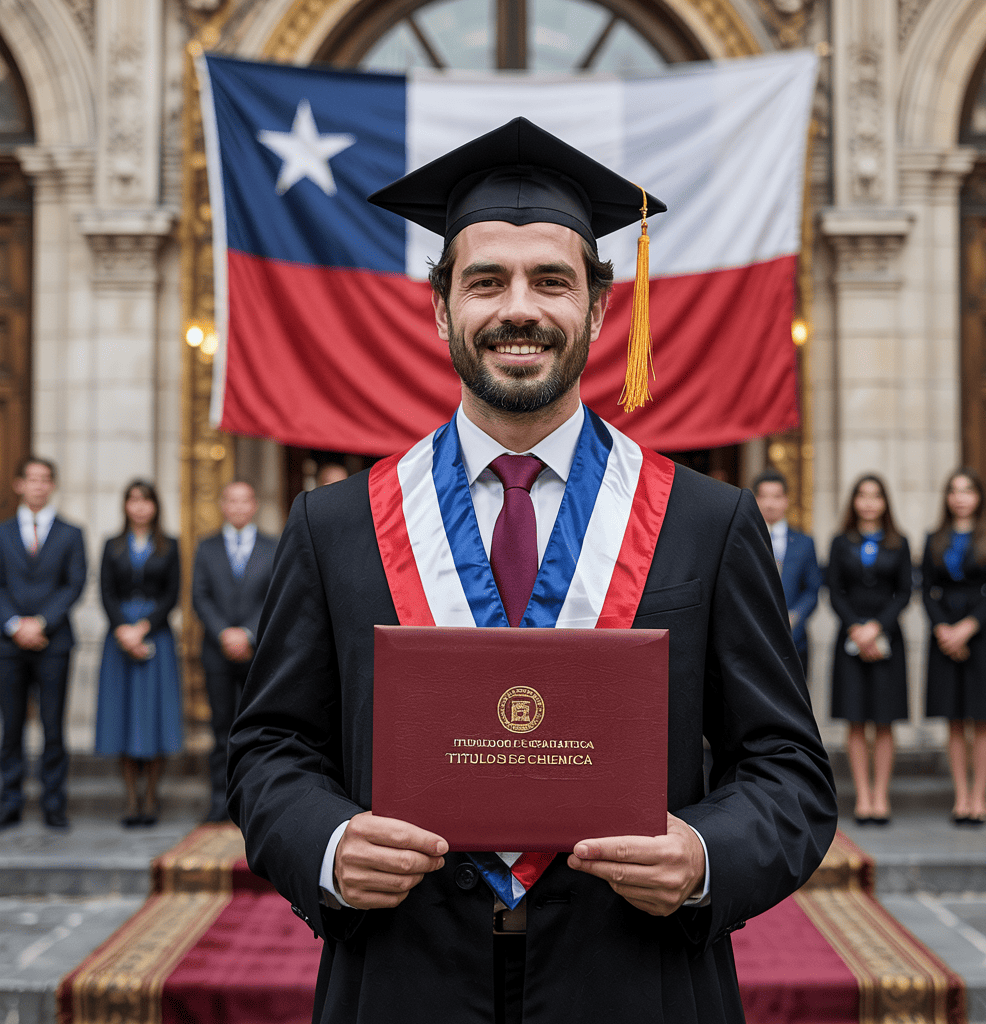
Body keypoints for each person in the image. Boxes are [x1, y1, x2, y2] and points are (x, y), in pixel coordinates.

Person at [228, 118, 837, 1024]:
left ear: (597, 308)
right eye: (486, 281)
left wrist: (706, 855)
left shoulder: (706, 522)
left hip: (635, 980)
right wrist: (327, 844)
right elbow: (268, 749)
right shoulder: (338, 525)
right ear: (441, 309)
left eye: (551, 280)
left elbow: (787, 768)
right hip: (403, 979)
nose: (519, 309)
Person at [923, 467, 986, 825]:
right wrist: (945, 629)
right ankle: (961, 795)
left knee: (982, 721)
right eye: (954, 491)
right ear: (947, 498)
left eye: (968, 490)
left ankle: (980, 796)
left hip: (983, 635)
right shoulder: (934, 538)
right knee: (954, 720)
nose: (960, 497)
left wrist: (968, 628)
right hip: (944, 636)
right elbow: (926, 588)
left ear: (979, 497)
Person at [0, 457, 87, 830]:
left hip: (54, 643)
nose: (38, 486)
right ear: (19, 485)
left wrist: (42, 623)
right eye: (31, 479)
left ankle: (54, 803)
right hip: (8, 644)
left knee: (53, 727)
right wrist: (15, 624)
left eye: (44, 480)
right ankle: (10, 801)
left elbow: (75, 583)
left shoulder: (71, 533)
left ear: (52, 486)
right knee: (12, 727)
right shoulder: (2, 533)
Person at [826, 474, 912, 825]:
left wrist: (877, 628)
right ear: (854, 502)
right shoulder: (840, 542)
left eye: (876, 496)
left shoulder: (899, 542)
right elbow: (834, 591)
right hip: (850, 639)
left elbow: (904, 592)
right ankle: (863, 795)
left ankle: (881, 795)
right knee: (857, 720)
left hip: (888, 638)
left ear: (884, 503)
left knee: (884, 721)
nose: (869, 502)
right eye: (862, 495)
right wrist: (857, 630)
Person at [95, 480, 182, 827]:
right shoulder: (111, 545)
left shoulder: (170, 545)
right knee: (123, 717)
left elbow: (172, 594)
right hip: (119, 638)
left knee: (154, 717)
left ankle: (151, 799)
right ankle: (131, 801)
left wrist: (143, 627)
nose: (140, 507)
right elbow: (105, 591)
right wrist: (123, 629)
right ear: (125, 506)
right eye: (133, 500)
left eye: (146, 500)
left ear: (155, 506)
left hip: (156, 637)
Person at [192, 480, 277, 822]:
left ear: (254, 504)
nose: (238, 507)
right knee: (220, 729)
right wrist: (224, 634)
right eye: (232, 501)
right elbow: (200, 596)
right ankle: (220, 800)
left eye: (245, 501)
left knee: (258, 729)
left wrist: (247, 633)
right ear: (223, 505)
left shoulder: (273, 546)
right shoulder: (206, 547)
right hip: (217, 652)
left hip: (257, 653)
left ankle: (254, 801)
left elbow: (275, 594)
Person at [752, 468, 822, 678]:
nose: (769, 503)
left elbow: (812, 589)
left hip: (794, 641)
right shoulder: (743, 541)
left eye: (776, 496)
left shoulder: (804, 543)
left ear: (786, 500)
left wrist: (795, 616)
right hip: (753, 640)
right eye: (763, 497)